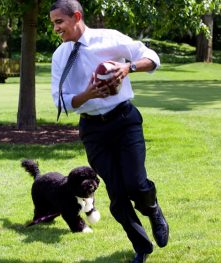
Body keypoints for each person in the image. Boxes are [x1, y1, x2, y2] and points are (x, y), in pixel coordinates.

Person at [50, 1, 169, 262]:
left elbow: (153, 57)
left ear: (77, 16)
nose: (56, 28)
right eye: (53, 23)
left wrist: (128, 67)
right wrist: (87, 95)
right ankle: (141, 247)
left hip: (124, 121)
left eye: (59, 21)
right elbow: (60, 101)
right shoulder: (60, 56)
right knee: (116, 194)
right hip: (93, 131)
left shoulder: (110, 38)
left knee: (136, 185)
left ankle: (154, 210)